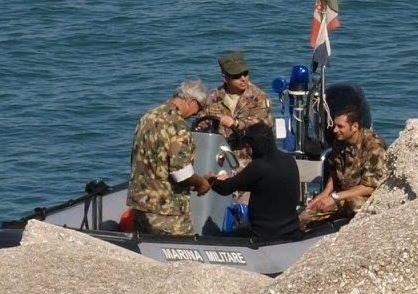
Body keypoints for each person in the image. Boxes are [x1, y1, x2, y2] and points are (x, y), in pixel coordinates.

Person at [126, 78, 213, 236]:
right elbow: (181, 173)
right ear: (191, 101)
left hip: (141, 204)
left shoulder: (147, 116)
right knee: (182, 249)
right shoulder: (178, 125)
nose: (198, 113)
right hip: (167, 210)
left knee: (147, 248)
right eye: (200, 107)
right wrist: (201, 183)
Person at [299, 106, 388, 228]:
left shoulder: (374, 147)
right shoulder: (340, 141)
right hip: (343, 196)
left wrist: (334, 197)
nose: (335, 130)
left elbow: (370, 187)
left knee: (354, 205)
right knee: (304, 217)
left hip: (367, 199)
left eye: (340, 126)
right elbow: (334, 171)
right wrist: (324, 194)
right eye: (335, 126)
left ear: (354, 127)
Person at [209, 122, 300, 238]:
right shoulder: (289, 160)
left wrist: (211, 180)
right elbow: (261, 184)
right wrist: (232, 180)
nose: (247, 151)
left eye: (248, 146)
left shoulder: (259, 165)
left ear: (256, 145)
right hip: (291, 229)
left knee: (218, 238)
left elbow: (225, 189)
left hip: (263, 234)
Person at [194, 51, 273, 139]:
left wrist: (238, 124)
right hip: (219, 145)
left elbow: (262, 123)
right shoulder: (213, 97)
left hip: (248, 145)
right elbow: (201, 122)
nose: (243, 79)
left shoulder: (258, 97)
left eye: (245, 74)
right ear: (225, 78)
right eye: (237, 76)